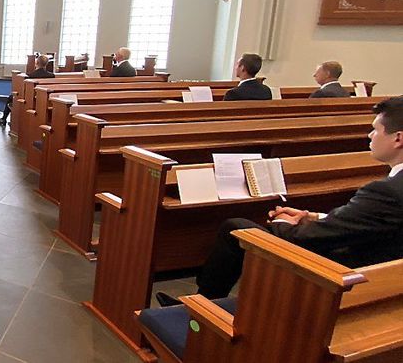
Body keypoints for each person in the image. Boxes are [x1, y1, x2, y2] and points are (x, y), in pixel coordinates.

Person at [157, 96, 403, 307]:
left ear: (398, 138)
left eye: (375, 129)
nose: (369, 135)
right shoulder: (391, 187)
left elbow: (307, 238)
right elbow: (362, 220)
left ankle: (202, 306)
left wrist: (285, 223)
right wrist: (311, 216)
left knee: (235, 228)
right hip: (381, 268)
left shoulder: (388, 191)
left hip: (342, 276)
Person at [0, 54, 52, 126]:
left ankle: (4, 119)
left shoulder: (30, 75)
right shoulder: (51, 75)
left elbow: (24, 88)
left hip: (31, 98)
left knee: (11, 97)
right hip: (45, 98)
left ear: (36, 63)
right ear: (46, 64)